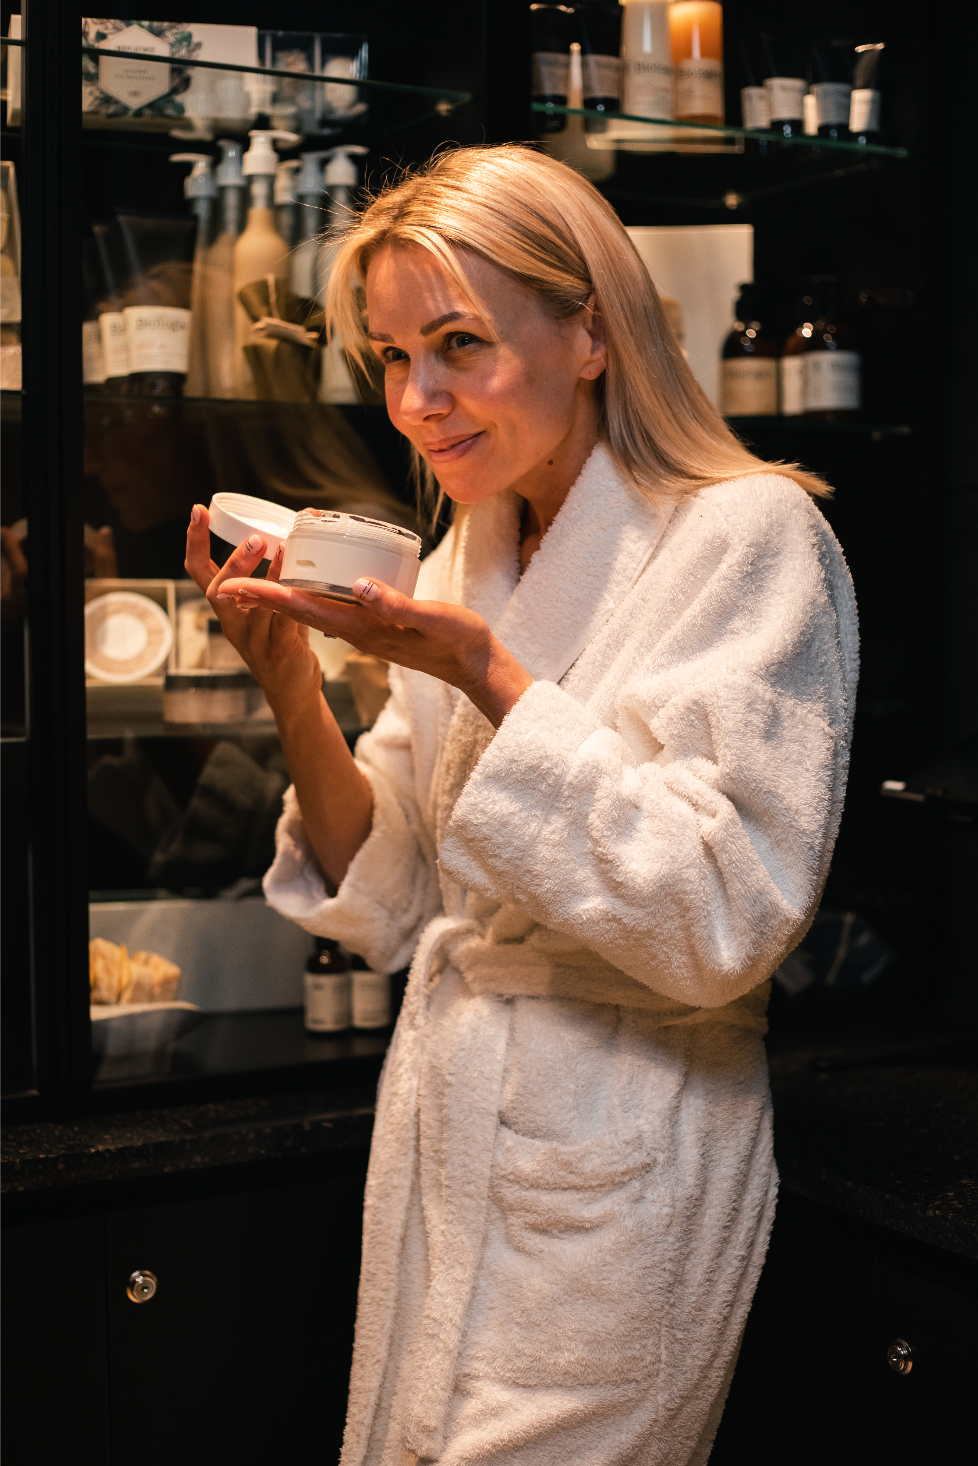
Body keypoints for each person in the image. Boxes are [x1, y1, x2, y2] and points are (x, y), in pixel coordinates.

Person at [185, 145, 858, 1466]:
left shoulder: (748, 537)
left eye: (458, 344)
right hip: (451, 1138)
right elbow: (388, 891)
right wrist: (292, 687)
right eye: (390, 356)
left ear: (592, 332)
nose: (416, 400)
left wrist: (486, 672)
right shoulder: (469, 550)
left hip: (619, 1165)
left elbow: (724, 910)